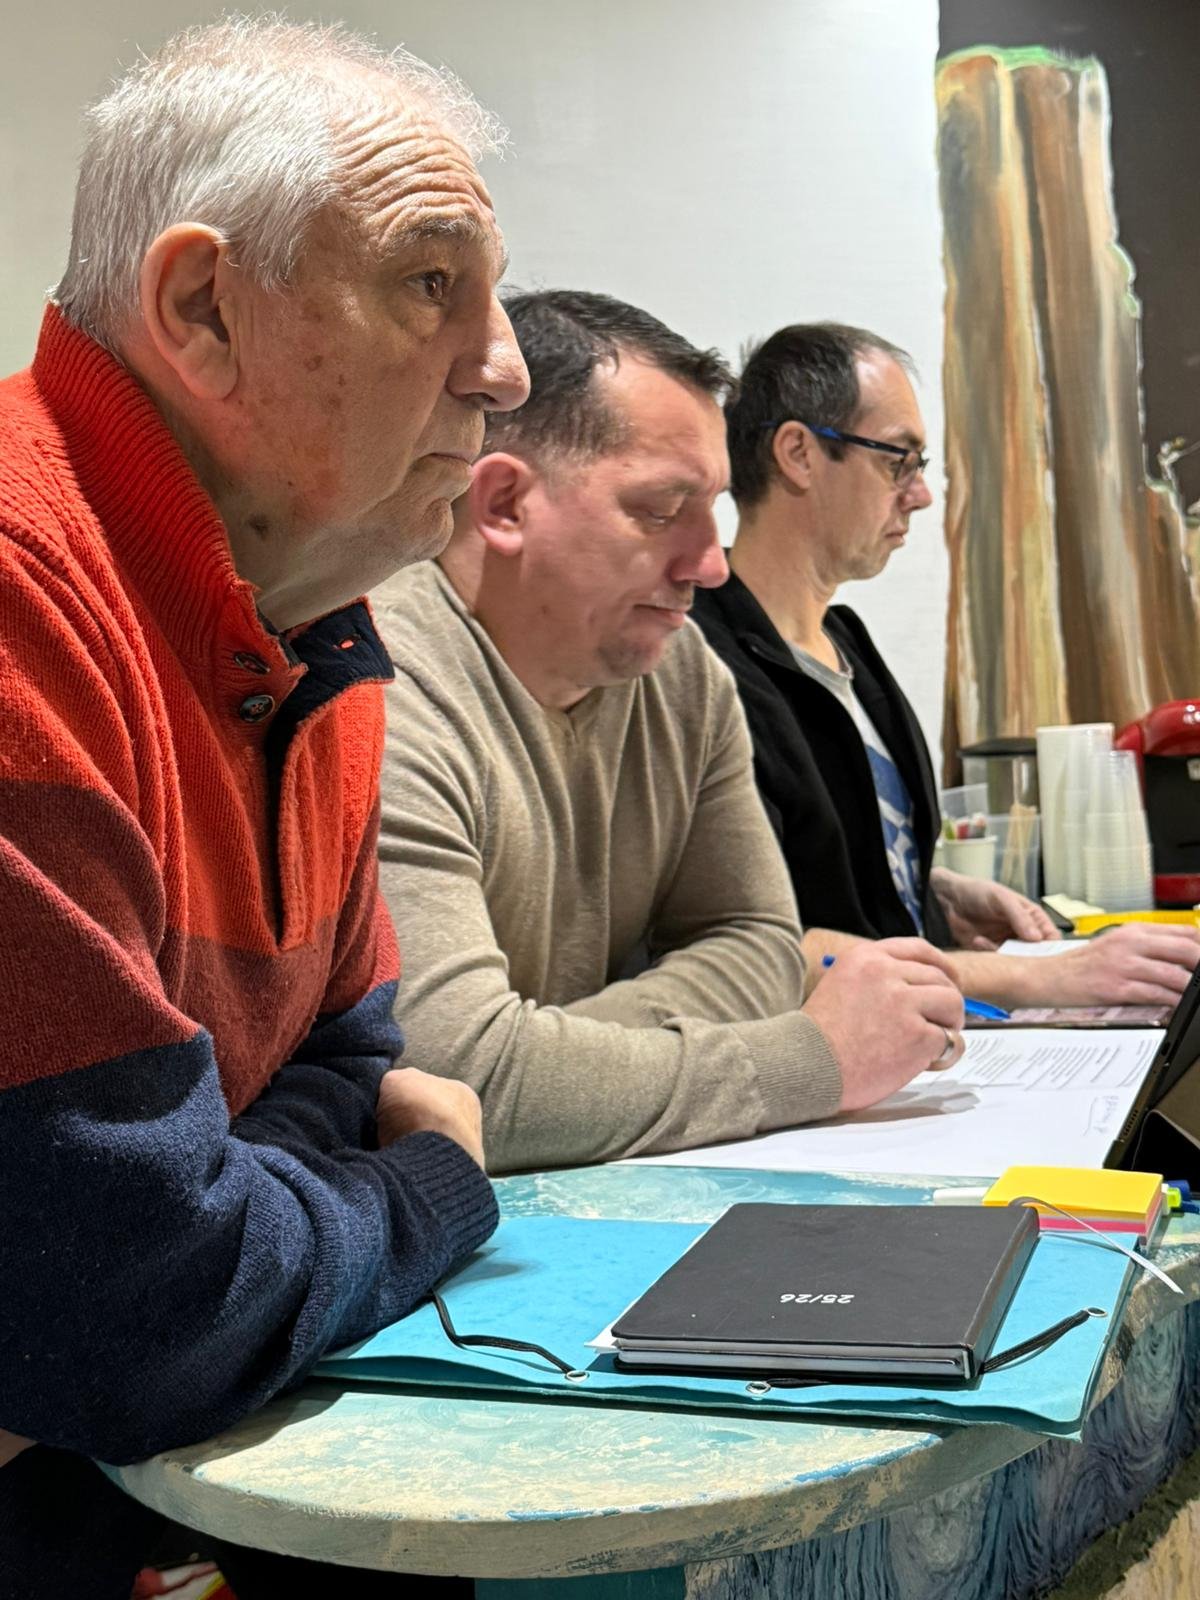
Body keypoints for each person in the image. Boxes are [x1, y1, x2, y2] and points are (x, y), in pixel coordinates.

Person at [0, 18, 530, 1597]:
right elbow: (131, 1317)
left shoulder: (313, 636)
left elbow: (348, 1067)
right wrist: (436, 1187)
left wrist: (214, 1199)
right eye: (432, 282)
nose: (505, 365)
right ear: (200, 311)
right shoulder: (22, 597)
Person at [374, 290, 965, 1176]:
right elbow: (458, 1079)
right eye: (660, 510)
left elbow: (761, 940)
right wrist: (811, 1059)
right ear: (503, 504)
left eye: (713, 510)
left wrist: (555, 1060)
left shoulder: (683, 672)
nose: (711, 564)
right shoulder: (380, 686)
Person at [694, 322, 1200, 1008]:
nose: (921, 494)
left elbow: (819, 866)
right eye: (897, 461)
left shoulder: (845, 641)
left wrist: (935, 891)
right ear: (799, 454)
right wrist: (1040, 976)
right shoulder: (702, 664)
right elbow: (750, 941)